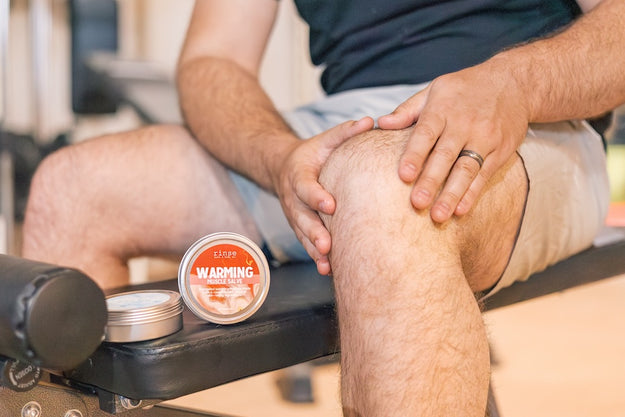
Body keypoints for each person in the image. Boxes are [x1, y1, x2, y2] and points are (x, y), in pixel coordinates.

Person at [21, 0, 622, 415]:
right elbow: (214, 59)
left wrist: (513, 84)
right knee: (71, 187)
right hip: (349, 129)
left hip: (528, 116)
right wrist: (277, 155)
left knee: (386, 191)